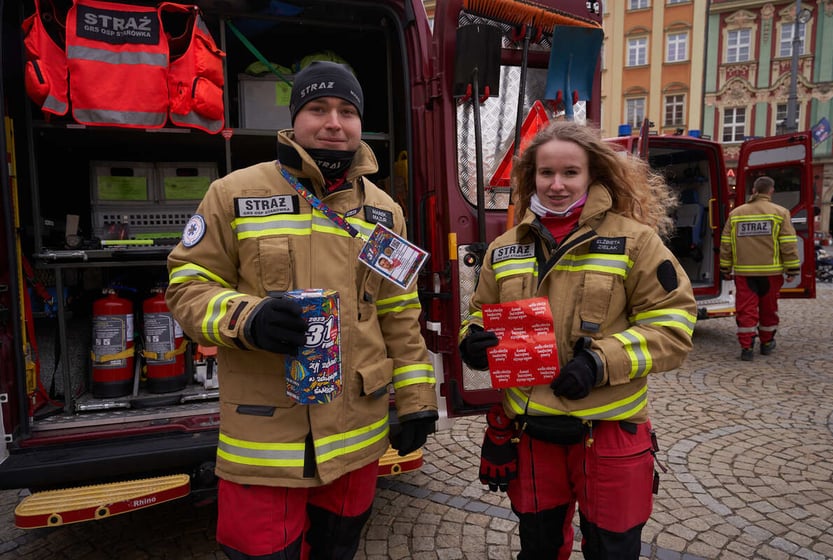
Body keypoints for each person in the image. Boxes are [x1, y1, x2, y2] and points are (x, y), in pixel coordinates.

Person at [166, 60, 439, 560]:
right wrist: (248, 319)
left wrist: (419, 399)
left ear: (360, 123)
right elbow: (188, 287)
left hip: (357, 435)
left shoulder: (384, 210)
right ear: (295, 119)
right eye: (318, 108)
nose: (333, 122)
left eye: (347, 110)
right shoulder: (234, 193)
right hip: (265, 434)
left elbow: (400, 311)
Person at [458, 120, 697, 559]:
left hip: (607, 436)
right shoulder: (505, 247)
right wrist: (472, 341)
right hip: (531, 436)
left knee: (611, 551)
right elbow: (478, 313)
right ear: (531, 177)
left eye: (571, 172)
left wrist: (599, 363)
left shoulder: (635, 242)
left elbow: (673, 327)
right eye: (546, 173)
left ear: (592, 175)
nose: (557, 185)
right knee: (538, 548)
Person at [720, 176, 800, 361]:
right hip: (771, 272)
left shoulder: (736, 214)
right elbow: (788, 243)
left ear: (754, 190)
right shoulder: (780, 213)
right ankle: (766, 343)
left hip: (744, 272)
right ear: (771, 191)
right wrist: (792, 270)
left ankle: (746, 347)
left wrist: (725, 268)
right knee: (769, 309)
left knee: (746, 309)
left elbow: (726, 245)